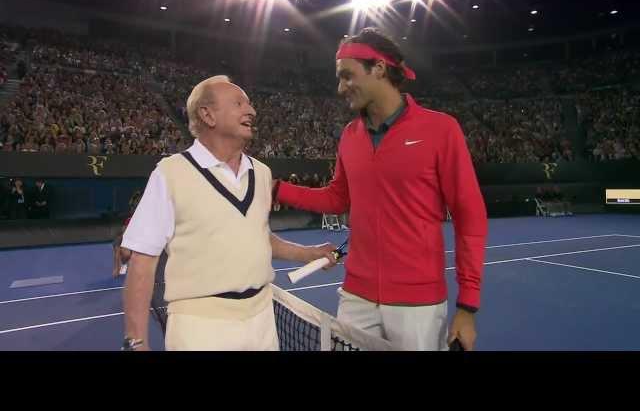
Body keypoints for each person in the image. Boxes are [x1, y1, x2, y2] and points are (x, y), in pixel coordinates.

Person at [273, 28, 488, 351]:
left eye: (347, 76)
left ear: (379, 69)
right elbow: (337, 198)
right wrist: (276, 189)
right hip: (355, 296)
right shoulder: (349, 134)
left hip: (418, 304)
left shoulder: (441, 129)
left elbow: (470, 217)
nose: (340, 87)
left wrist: (467, 306)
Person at [121, 76, 337, 351]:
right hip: (200, 327)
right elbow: (142, 260)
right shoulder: (170, 173)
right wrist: (136, 341)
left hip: (263, 321)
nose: (252, 111)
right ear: (207, 114)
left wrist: (309, 253)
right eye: (238, 103)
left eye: (249, 104)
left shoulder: (262, 173)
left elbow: (259, 237)